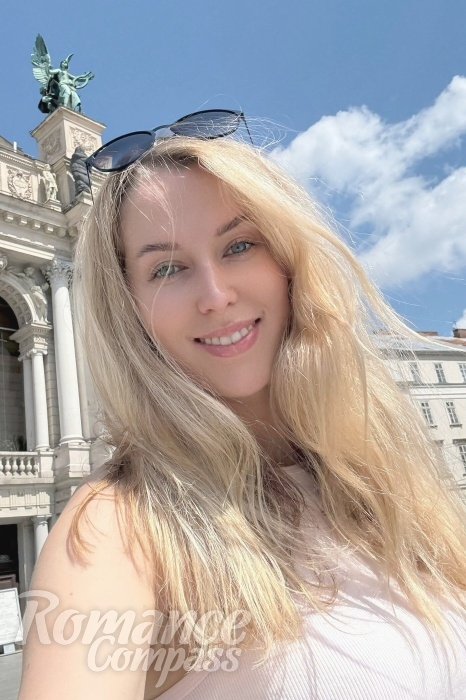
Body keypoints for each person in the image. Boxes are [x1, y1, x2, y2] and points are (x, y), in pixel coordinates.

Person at [18, 110, 466, 699]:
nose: (216, 295)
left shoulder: (378, 474)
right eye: (167, 268)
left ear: (288, 262)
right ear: (128, 309)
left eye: (239, 245)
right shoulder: (116, 528)